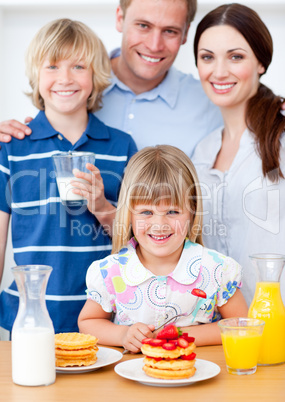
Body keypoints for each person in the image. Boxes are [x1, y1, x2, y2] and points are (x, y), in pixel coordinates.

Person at [0, 18, 137, 334]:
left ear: (95, 76)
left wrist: (101, 205)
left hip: (103, 321)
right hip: (25, 318)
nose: (64, 78)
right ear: (36, 75)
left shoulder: (121, 146)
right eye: (52, 66)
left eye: (78, 66)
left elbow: (134, 240)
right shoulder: (12, 147)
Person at [78, 145, 248, 353]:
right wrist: (123, 335)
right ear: (128, 214)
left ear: (192, 212)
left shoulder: (217, 269)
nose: (159, 224)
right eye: (146, 212)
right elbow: (88, 322)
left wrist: (176, 336)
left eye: (173, 211)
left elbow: (241, 324)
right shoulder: (111, 272)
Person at [0, 0, 223, 155]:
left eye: (170, 31)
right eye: (143, 25)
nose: (155, 45)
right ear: (119, 18)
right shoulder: (75, 88)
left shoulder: (209, 105)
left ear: (185, 33)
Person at [191, 3, 285, 306]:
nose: (219, 72)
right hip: (224, 332)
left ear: (261, 61)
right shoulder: (202, 150)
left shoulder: (280, 135)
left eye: (236, 56)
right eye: (207, 57)